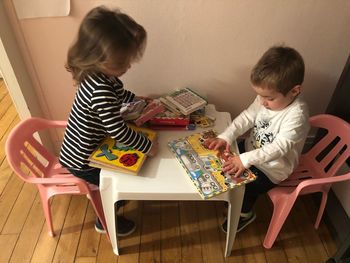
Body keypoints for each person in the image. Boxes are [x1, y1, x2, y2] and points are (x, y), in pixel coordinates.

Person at [59, 6, 158, 236]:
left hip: (88, 146)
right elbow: (119, 132)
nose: (128, 66)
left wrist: (134, 99)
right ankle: (104, 222)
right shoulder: (99, 89)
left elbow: (118, 92)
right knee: (118, 187)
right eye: (122, 63)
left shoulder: (99, 74)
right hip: (82, 159)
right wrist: (146, 146)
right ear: (98, 59)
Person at [206, 45, 310, 233]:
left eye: (268, 98)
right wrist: (226, 136)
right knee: (221, 157)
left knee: (246, 188)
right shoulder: (265, 97)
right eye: (260, 96)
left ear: (294, 91)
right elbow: (248, 117)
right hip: (250, 149)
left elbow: (279, 148)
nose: (262, 102)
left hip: (274, 168)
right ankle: (233, 197)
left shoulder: (297, 115)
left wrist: (244, 160)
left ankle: (244, 215)